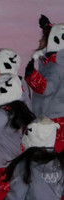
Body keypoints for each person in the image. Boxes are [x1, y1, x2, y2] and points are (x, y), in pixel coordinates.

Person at [24, 15, 64, 152]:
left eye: (43, 39)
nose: (40, 41)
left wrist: (31, 75)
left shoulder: (56, 66)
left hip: (55, 123)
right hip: (53, 120)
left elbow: (47, 88)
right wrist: (47, 27)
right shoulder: (53, 62)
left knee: (51, 162)